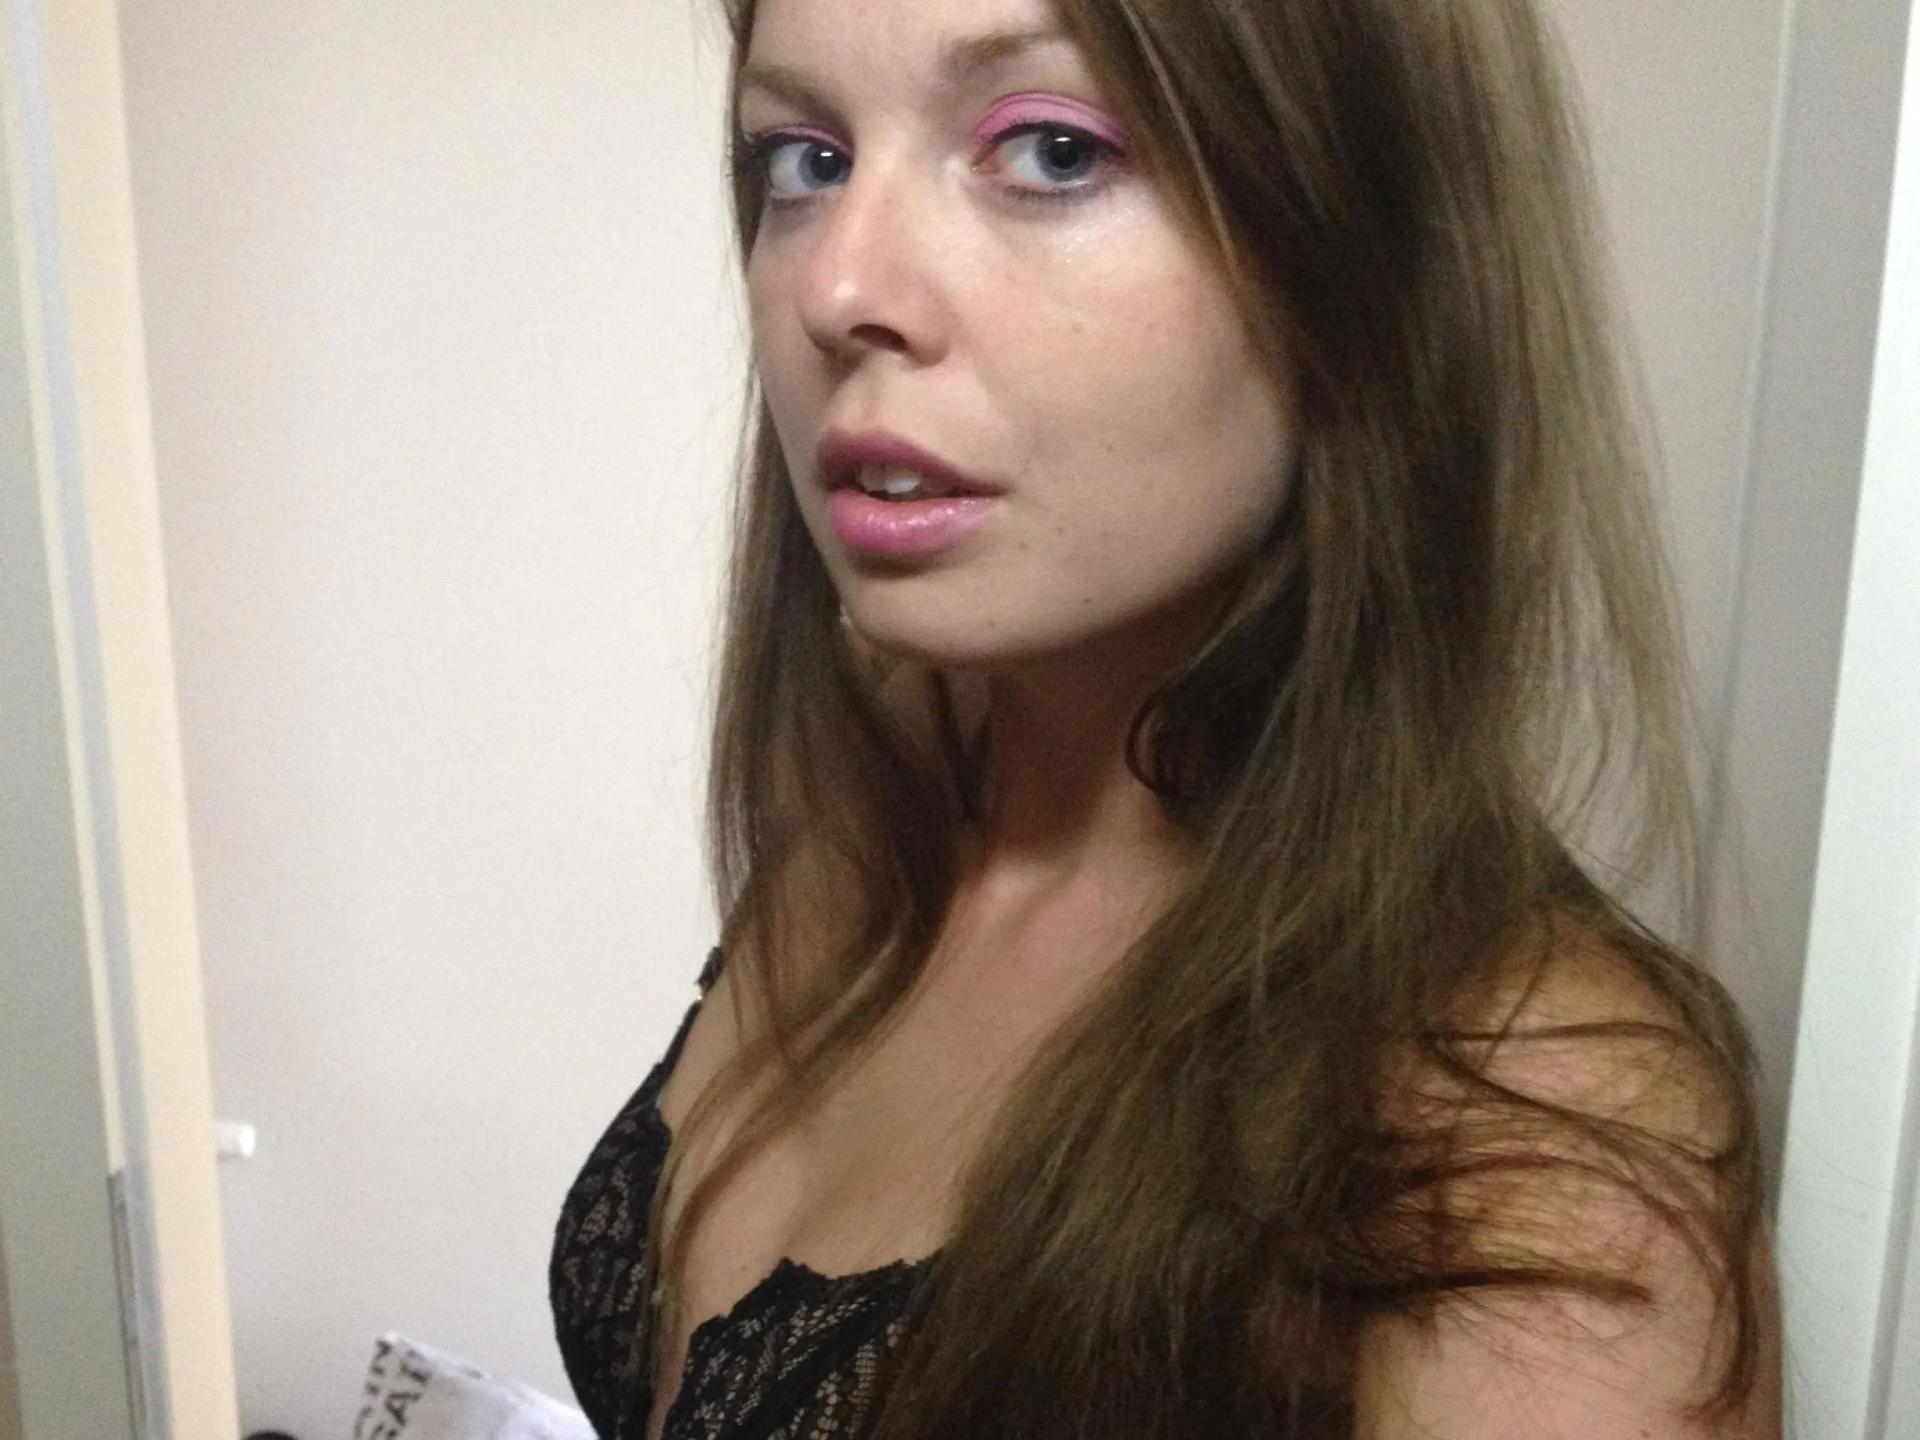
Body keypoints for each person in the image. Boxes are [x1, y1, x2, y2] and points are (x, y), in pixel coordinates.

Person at [549, 0, 1784, 1434]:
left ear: (1369, 250)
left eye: (1054, 151)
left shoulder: (1536, 1153)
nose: (837, 284)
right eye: (805, 160)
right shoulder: (890, 797)